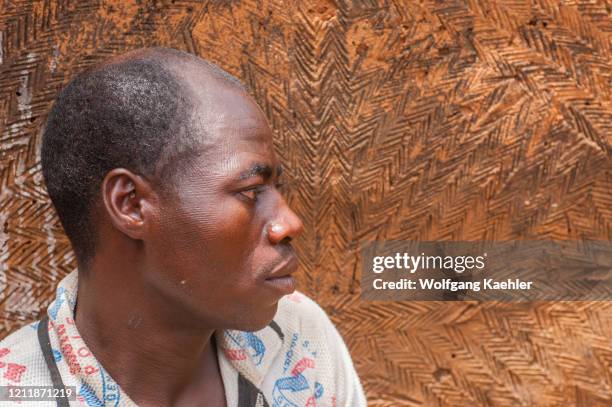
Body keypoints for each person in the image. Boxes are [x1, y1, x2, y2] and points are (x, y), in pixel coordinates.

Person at [0, 47, 366, 407]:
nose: (289, 223)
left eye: (276, 188)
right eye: (251, 191)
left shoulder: (300, 337)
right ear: (130, 204)